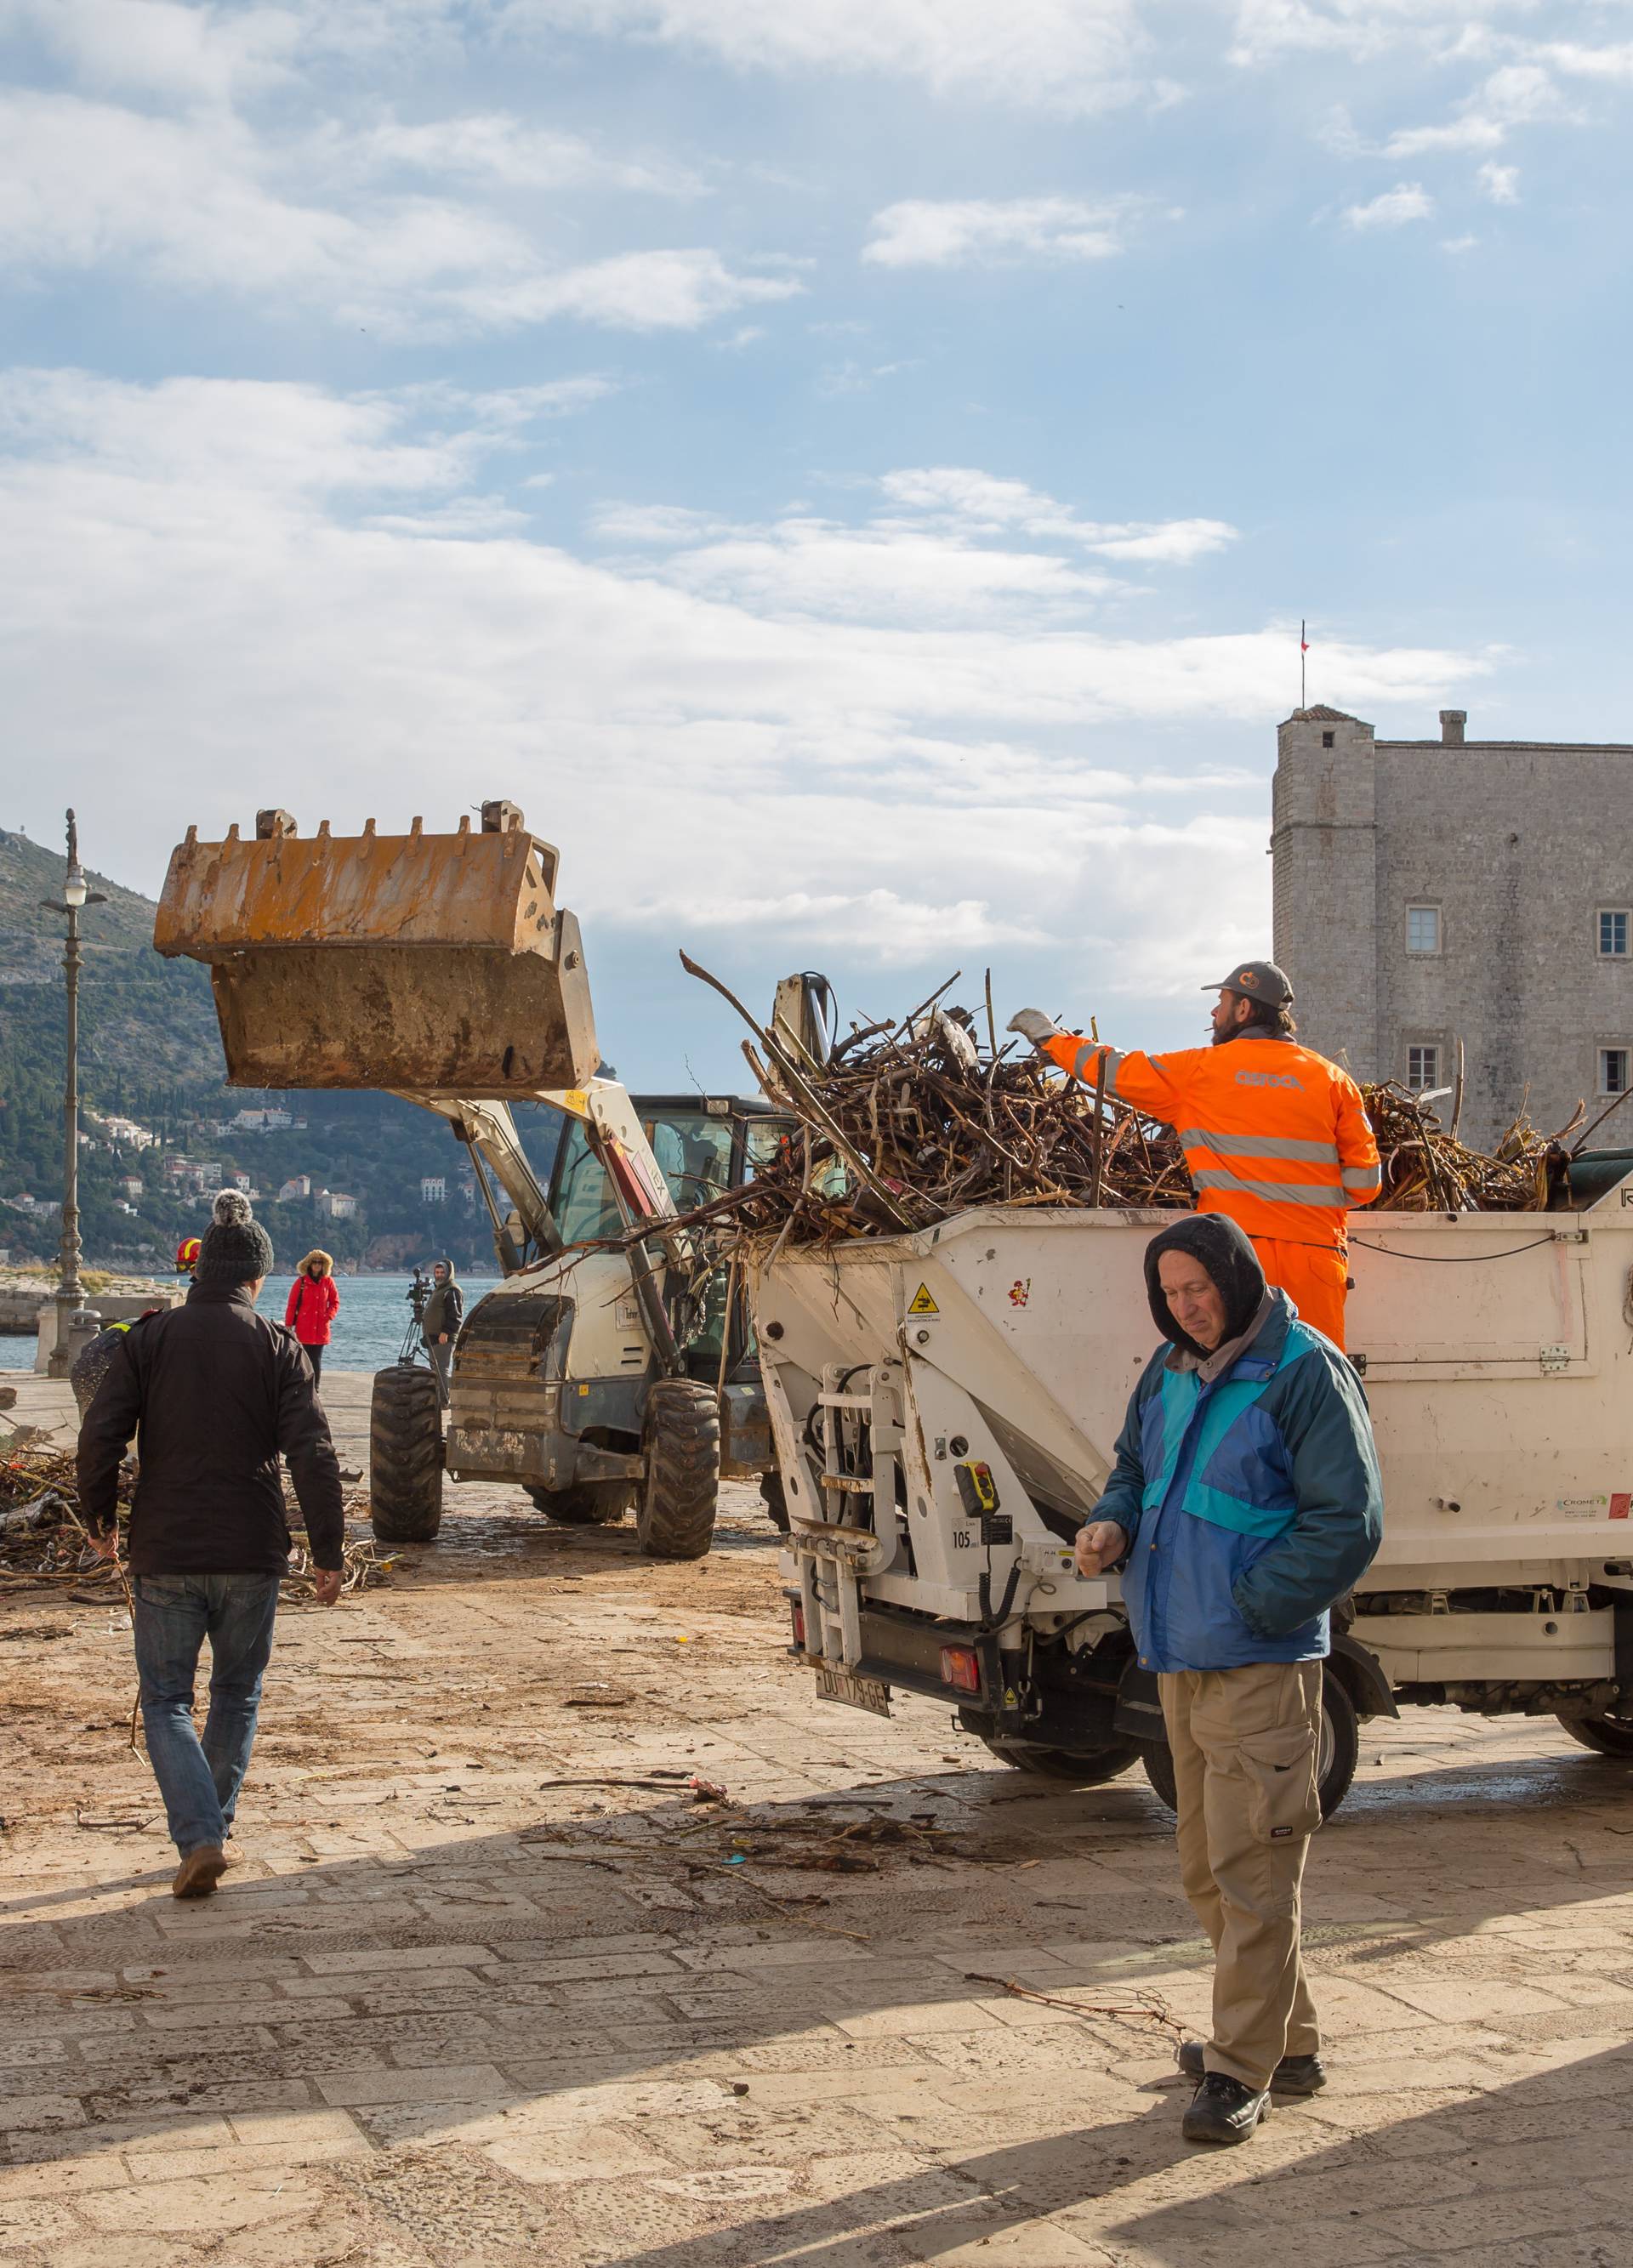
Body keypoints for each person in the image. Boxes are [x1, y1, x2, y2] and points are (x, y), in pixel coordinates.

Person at [1077, 1214, 1382, 2145]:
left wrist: (1254, 1608)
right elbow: (1134, 1467)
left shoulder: (1302, 1369)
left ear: (1237, 1278)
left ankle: (1239, 2067)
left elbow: (1349, 1521)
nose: (1187, 1307)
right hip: (1178, 1657)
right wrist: (1112, 1522)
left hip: (1260, 1662)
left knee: (1254, 1871)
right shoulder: (1170, 1369)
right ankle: (1286, 2043)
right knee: (1210, 1870)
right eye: (1169, 1293)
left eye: (1198, 1288)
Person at [77, 1190, 344, 1900]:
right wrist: (328, 1550)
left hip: (165, 1546)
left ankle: (199, 1836)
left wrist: (100, 1519)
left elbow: (100, 1433)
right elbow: (313, 1452)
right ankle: (209, 1832)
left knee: (165, 1698)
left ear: (201, 1271)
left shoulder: (150, 1339)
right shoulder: (278, 1344)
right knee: (237, 1692)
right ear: (256, 1279)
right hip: (252, 1549)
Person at [1008, 961, 1381, 1347]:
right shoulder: (1334, 1080)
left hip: (1235, 1258)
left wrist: (1052, 1038)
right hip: (1316, 1262)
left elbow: (1116, 1070)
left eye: (1222, 1002)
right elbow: (1365, 1185)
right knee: (1317, 1384)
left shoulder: (1200, 1072)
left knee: (1235, 1384)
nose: (1214, 1012)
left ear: (1244, 1010)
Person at [284, 1249, 339, 1384]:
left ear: (324, 1265)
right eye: (314, 1262)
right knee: (303, 1358)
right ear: (309, 1264)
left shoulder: (328, 1282)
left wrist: (328, 1316)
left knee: (317, 1359)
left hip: (321, 1328)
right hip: (304, 1327)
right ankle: (303, 1385)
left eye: (320, 1262)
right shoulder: (301, 1282)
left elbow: (335, 1302)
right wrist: (288, 1325)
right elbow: (292, 1305)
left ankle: (316, 1387)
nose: (317, 1265)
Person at [420, 1258, 462, 1408]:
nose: (439, 1275)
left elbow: (455, 1316)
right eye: (437, 1272)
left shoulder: (452, 1290)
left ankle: (444, 1400)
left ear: (448, 1273)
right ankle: (437, 1397)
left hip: (443, 1337)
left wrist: (446, 1332)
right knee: (434, 1369)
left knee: (441, 1369)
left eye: (442, 1272)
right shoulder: (438, 1289)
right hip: (432, 1336)